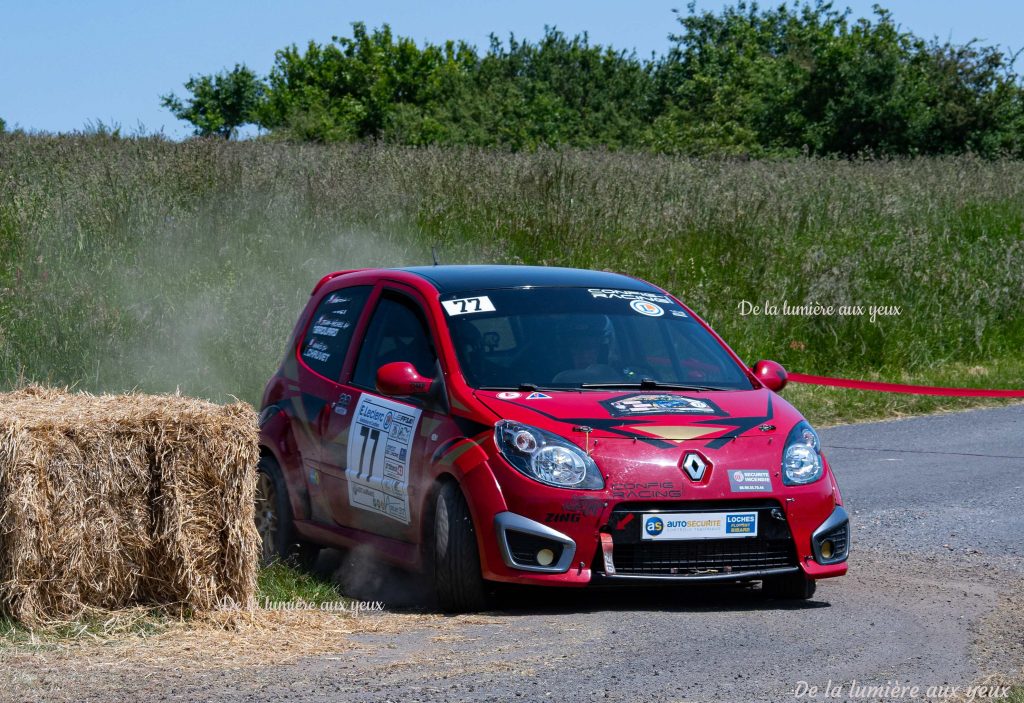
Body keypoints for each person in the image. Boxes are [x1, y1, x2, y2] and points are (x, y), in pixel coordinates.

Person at [551, 315, 624, 384]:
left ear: (601, 351)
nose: (584, 355)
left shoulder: (620, 381)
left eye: (590, 347)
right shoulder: (546, 381)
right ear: (566, 352)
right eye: (576, 347)